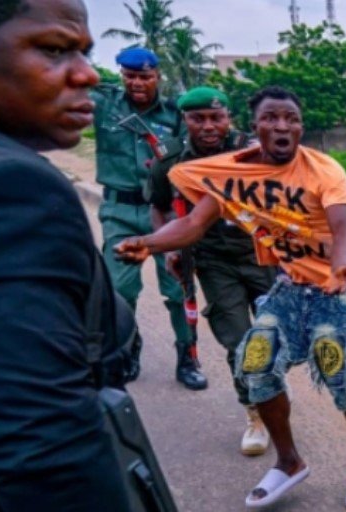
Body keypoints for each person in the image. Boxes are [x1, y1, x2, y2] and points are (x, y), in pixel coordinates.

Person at [116, 86, 346, 509]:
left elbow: (343, 234)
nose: (283, 126)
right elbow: (192, 226)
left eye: (291, 119)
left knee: (336, 367)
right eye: (272, 118)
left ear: (301, 126)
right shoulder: (233, 175)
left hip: (340, 285)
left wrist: (338, 272)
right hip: (290, 285)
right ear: (256, 126)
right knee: (254, 363)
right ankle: (289, 462)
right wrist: (149, 242)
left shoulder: (323, 169)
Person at [0, 0, 134, 509]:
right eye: (54, 50)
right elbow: (45, 453)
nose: (87, 76)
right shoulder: (5, 187)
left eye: (85, 53)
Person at [148, 86, 276, 456]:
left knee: (274, 338)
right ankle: (255, 413)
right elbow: (158, 206)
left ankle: (271, 391)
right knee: (239, 342)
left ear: (228, 119)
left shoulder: (251, 152)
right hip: (213, 261)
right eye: (197, 118)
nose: (207, 126)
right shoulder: (170, 160)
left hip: (262, 255)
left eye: (215, 118)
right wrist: (166, 243)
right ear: (185, 120)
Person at [91, 46, 203, 389]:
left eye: (145, 76)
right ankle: (128, 346)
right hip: (120, 211)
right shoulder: (104, 105)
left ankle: (188, 356)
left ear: (157, 77)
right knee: (120, 289)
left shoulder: (174, 113)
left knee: (179, 286)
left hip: (167, 213)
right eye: (130, 76)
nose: (137, 83)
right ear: (121, 76)